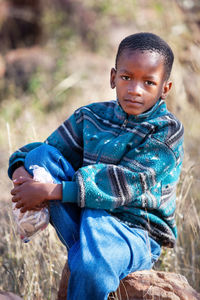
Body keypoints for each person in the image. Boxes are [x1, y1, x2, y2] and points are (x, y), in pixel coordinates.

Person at [8, 32, 184, 300]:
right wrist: (20, 171)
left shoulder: (166, 130)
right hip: (86, 215)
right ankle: (89, 255)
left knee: (90, 268)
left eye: (149, 82)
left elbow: (123, 183)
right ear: (113, 77)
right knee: (41, 156)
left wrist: (48, 192)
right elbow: (45, 150)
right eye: (126, 78)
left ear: (165, 88)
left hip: (134, 229)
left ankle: (89, 262)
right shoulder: (91, 116)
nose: (135, 89)